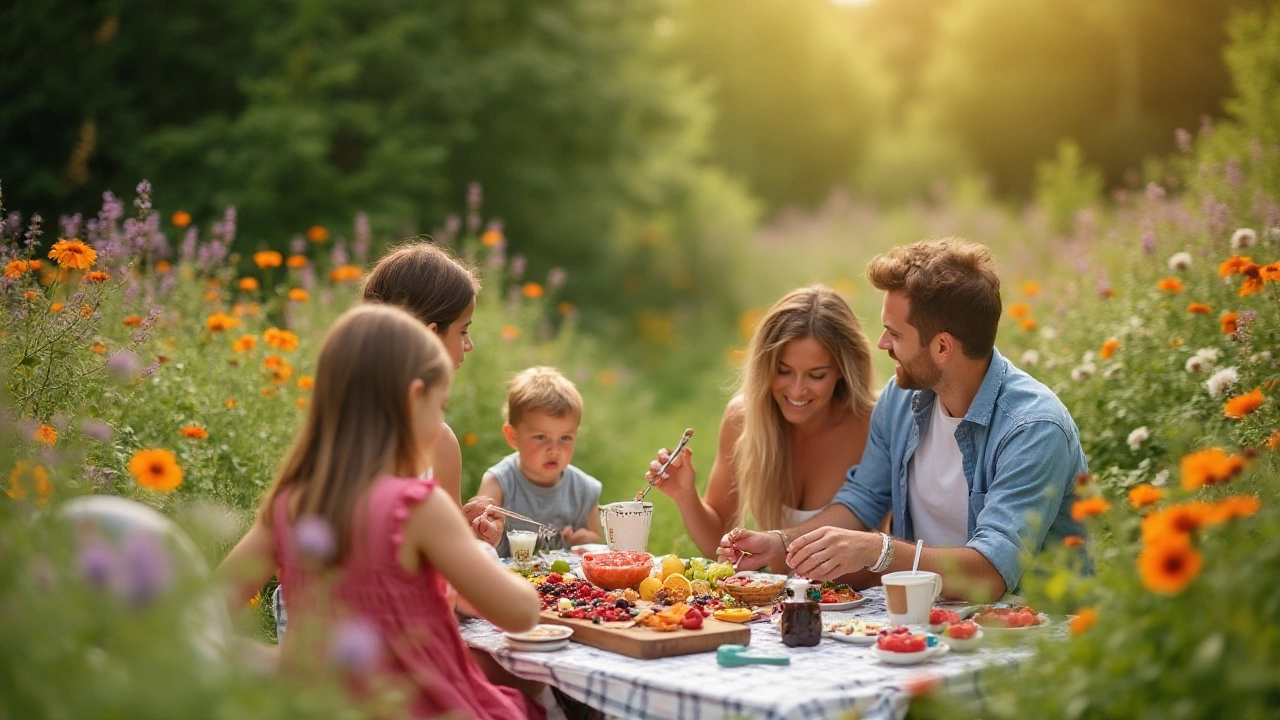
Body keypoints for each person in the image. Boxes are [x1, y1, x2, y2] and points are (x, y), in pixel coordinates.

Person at [218, 304, 544, 720]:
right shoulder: (419, 505)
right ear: (413, 399)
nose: (439, 420)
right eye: (440, 406)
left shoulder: (289, 503)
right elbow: (520, 613)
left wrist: (272, 661)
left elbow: (205, 606)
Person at [723, 238, 1087, 602]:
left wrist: (879, 551)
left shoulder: (1033, 428)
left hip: (1032, 631)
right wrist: (780, 541)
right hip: (926, 616)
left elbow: (991, 573)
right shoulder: (901, 400)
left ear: (942, 347)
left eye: (895, 333)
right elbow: (862, 501)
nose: (882, 343)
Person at [645, 286, 877, 564]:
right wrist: (686, 496)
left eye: (816, 375)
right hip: (780, 604)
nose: (797, 390)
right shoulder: (743, 419)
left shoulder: (872, 425)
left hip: (861, 602)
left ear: (842, 369)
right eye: (783, 371)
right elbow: (719, 544)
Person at [361, 241, 502, 545]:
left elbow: (450, 549)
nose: (469, 345)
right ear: (430, 335)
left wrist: (476, 536)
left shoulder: (331, 426)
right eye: (463, 331)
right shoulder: (437, 442)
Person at [477, 366, 603, 555]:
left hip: (565, 583)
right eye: (541, 437)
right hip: (506, 581)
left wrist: (587, 540)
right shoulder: (499, 482)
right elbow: (476, 539)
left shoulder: (584, 490)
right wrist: (486, 531)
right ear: (513, 437)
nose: (554, 449)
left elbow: (597, 543)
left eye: (565, 438)